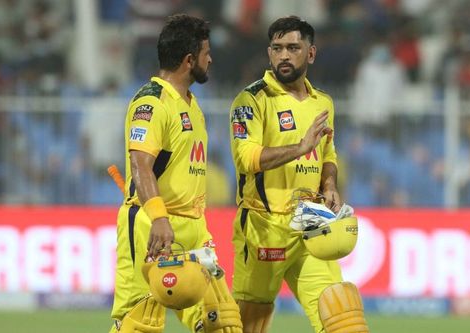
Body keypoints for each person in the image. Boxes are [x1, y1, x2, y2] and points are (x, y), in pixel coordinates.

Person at [229, 16, 369, 333]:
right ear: (269, 53)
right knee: (248, 323)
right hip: (265, 226)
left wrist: (330, 184)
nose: (284, 55)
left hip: (311, 224)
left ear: (311, 53)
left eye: (293, 47)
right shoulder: (251, 100)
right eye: (277, 48)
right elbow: (245, 158)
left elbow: (327, 154)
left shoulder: (323, 102)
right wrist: (301, 146)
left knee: (343, 318)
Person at [109, 14, 241, 333]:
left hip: (194, 229)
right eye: (206, 53)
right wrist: (159, 218)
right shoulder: (152, 103)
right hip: (153, 228)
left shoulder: (192, 105)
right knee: (139, 323)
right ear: (188, 60)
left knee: (221, 321)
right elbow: (141, 163)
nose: (211, 58)